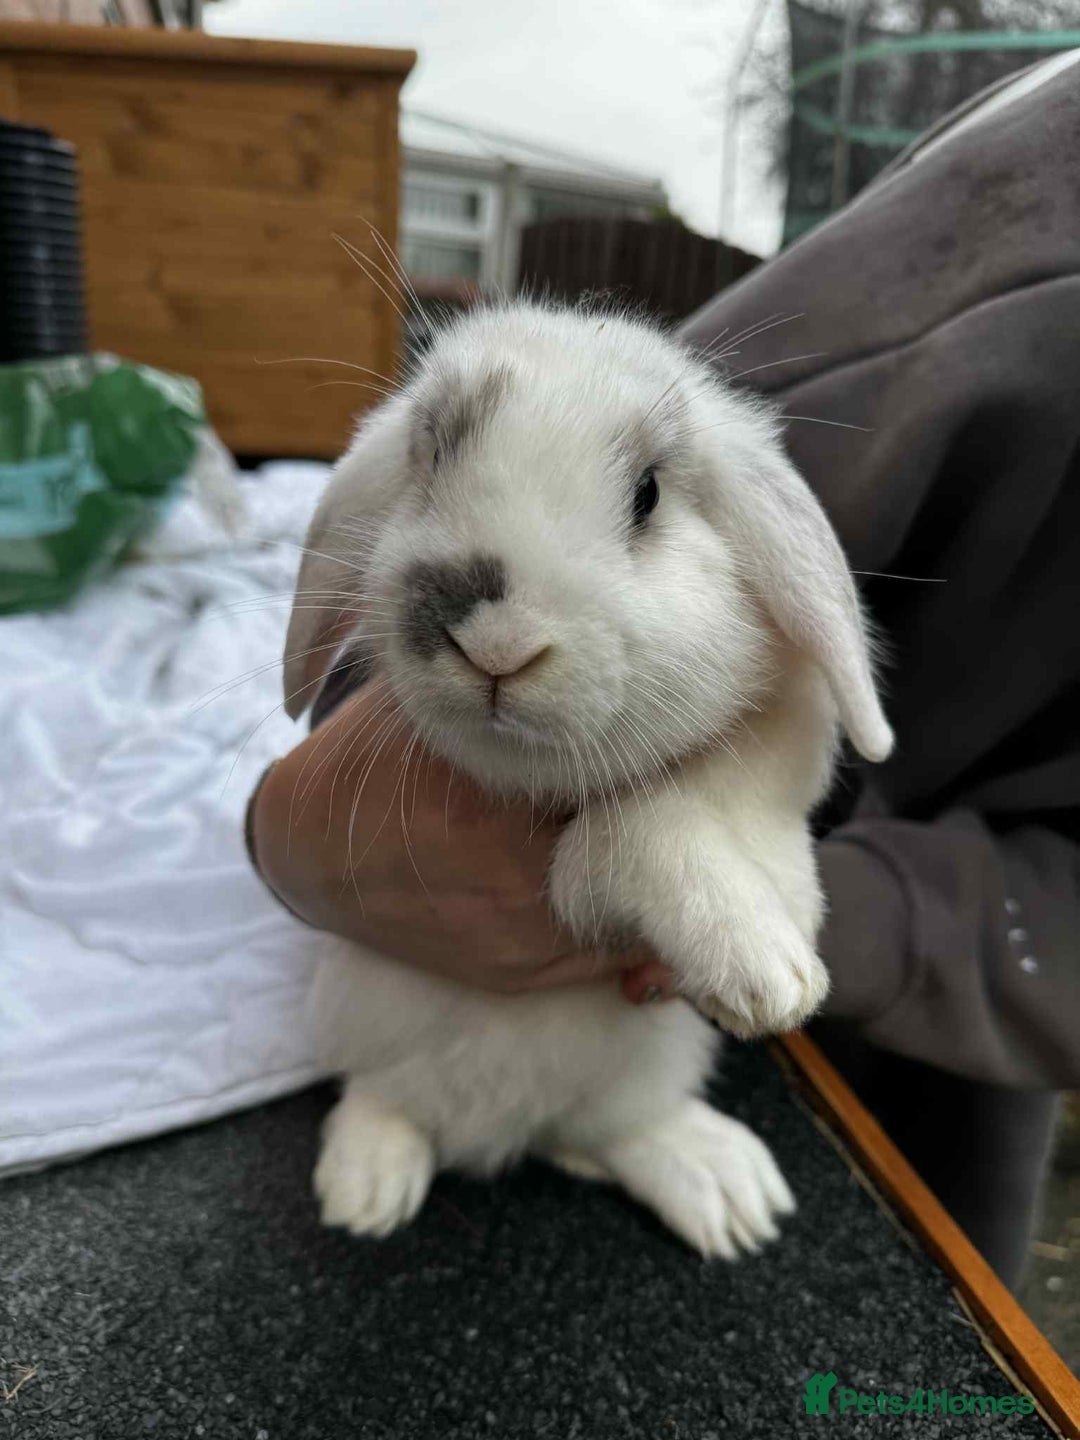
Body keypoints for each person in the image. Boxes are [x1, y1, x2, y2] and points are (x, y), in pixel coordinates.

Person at [248, 54, 1080, 1291]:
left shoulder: (739, 534)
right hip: (413, 1004)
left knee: (658, 1056)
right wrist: (298, 812)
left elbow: (771, 796)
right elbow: (335, 806)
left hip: (814, 1046)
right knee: (385, 997)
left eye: (636, 503)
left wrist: (700, 851)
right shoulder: (958, 295)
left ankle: (624, 1125)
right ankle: (392, 1100)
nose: (495, 641)